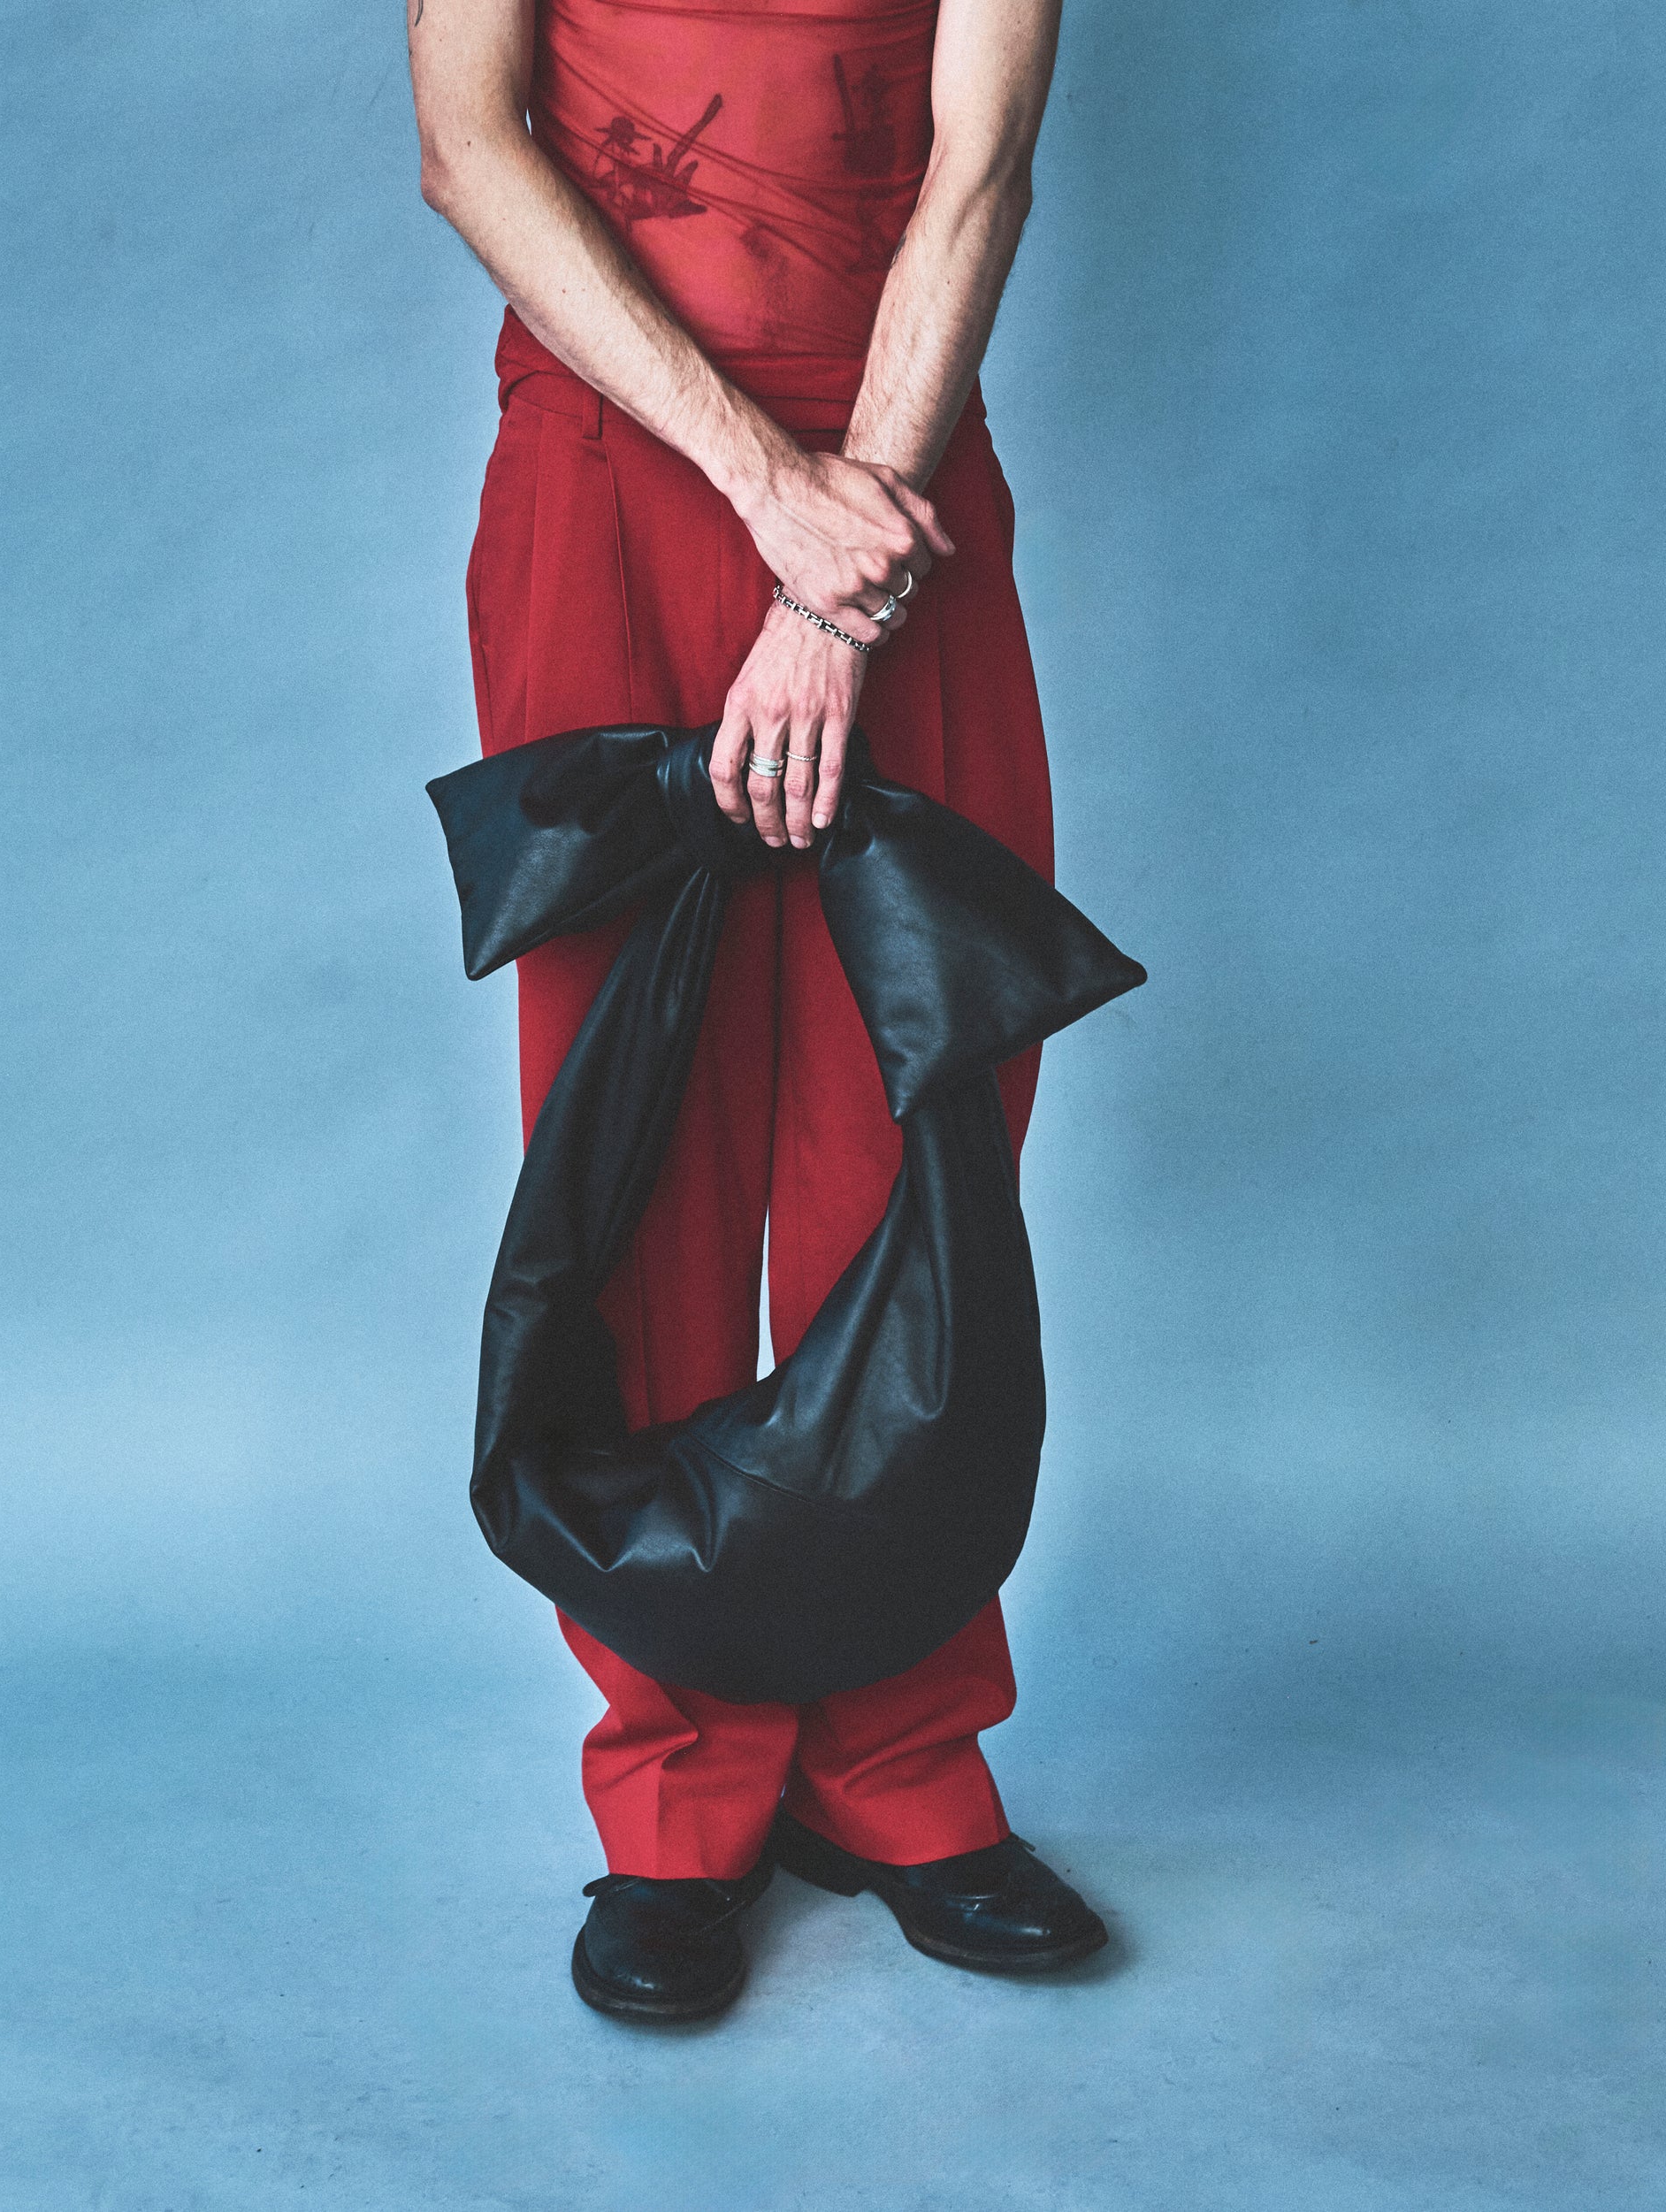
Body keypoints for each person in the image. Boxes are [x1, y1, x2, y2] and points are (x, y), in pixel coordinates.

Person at [409, 0, 1108, 2021]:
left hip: (898, 492)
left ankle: (898, 1758)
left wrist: (833, 566)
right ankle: (677, 1784)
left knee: (918, 1133)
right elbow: (470, 144)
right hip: (610, 475)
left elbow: (979, 169)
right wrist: (757, 487)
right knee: (636, 1140)